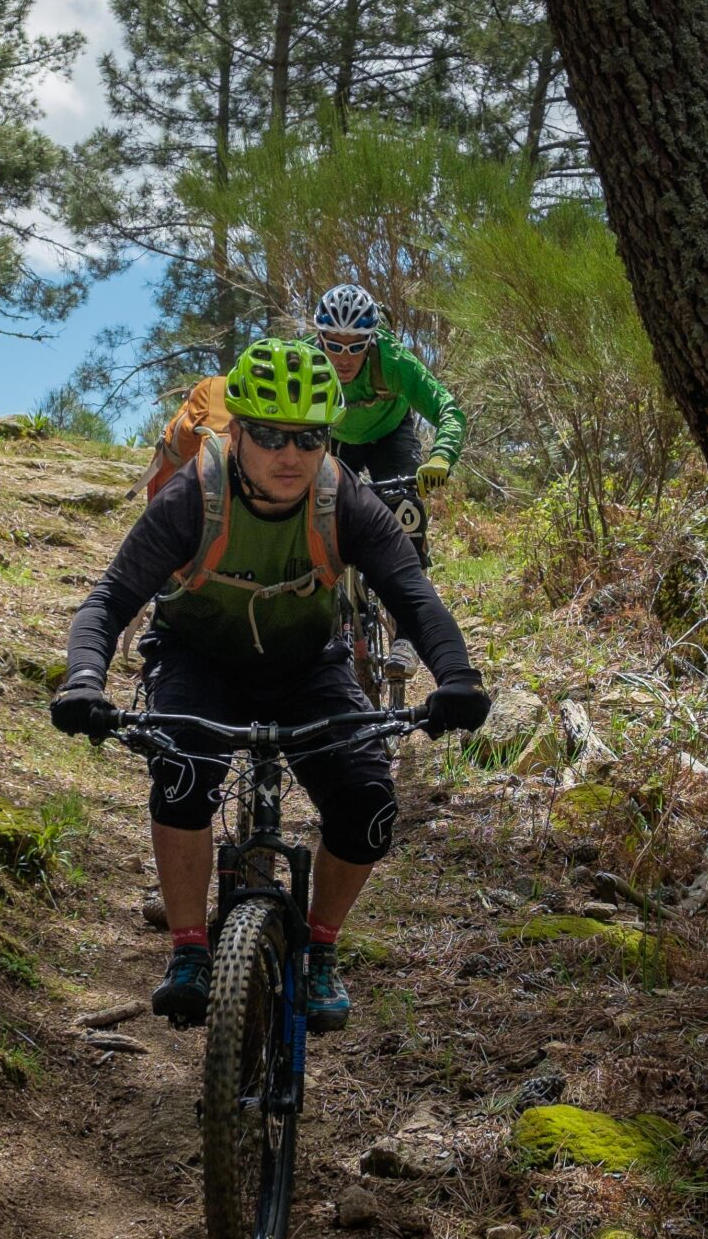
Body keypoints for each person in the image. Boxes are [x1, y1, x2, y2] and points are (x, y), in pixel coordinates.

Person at [51, 338, 491, 1030]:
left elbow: (413, 594)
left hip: (304, 663)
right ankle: (191, 949)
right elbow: (111, 598)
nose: (291, 454)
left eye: (311, 436)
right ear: (238, 430)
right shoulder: (195, 494)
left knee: (369, 805)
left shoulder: (342, 497)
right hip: (199, 656)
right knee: (183, 775)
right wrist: (83, 679)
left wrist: (457, 677)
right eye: (270, 435)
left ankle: (320, 947)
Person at [310, 282, 466, 497]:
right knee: (324, 511)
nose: (344, 359)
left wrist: (441, 455)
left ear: (370, 340)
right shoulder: (305, 361)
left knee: (406, 506)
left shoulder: (393, 359)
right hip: (338, 438)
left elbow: (447, 408)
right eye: (335, 347)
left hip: (390, 434)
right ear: (320, 339)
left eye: (356, 347)